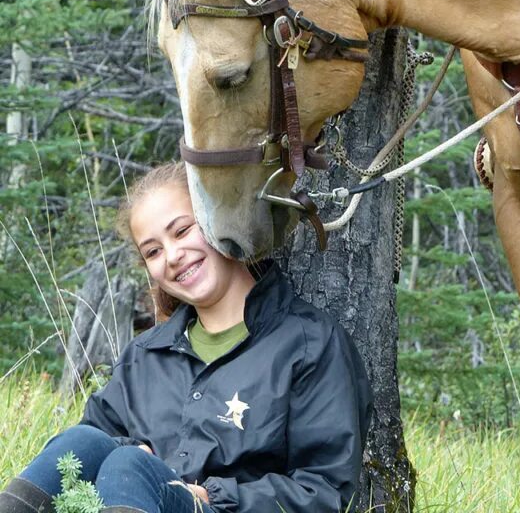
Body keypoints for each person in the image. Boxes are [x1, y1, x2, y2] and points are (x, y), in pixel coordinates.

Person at [0, 162, 372, 513]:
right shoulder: (143, 358)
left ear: (218, 219)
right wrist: (133, 459)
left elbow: (323, 491)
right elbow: (85, 457)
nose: (173, 256)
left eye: (182, 230)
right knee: (86, 443)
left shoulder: (308, 343)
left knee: (130, 463)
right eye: (153, 251)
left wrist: (210, 495)